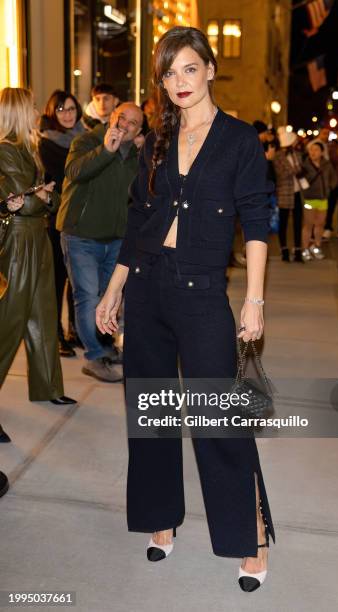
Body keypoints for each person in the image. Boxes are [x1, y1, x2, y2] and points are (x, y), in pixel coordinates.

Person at [96, 26, 275, 593]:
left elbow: (256, 221)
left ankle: (249, 534)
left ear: (210, 70)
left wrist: (254, 299)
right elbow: (139, 222)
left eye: (188, 69)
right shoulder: (154, 143)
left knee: (216, 418)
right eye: (168, 73)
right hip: (147, 288)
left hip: (202, 293)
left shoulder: (240, 140)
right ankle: (161, 517)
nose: (178, 82)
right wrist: (113, 288)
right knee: (152, 413)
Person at [0, 87, 76, 406]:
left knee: (44, 316)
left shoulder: (30, 147)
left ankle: (48, 387)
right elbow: (28, 201)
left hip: (37, 237)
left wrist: (41, 196)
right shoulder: (6, 149)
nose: (36, 111)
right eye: (31, 105)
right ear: (17, 110)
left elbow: (51, 198)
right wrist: (40, 196)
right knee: (9, 322)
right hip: (18, 241)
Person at [57, 102, 143, 383]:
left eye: (133, 123)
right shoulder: (88, 140)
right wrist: (106, 149)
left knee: (108, 298)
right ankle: (94, 356)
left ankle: (105, 347)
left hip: (117, 238)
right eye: (122, 118)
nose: (125, 125)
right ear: (111, 118)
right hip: (81, 235)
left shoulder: (137, 155)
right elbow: (74, 172)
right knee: (88, 297)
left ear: (139, 130)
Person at [39, 90, 86, 357]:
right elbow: (65, 177)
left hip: (81, 218)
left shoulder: (86, 136)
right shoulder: (48, 143)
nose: (67, 114)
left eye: (71, 109)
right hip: (57, 219)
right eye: (61, 110)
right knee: (57, 279)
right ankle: (56, 335)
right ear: (51, 113)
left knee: (76, 277)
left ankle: (74, 330)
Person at [273, 126, 304, 262]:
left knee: (298, 222)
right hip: (284, 193)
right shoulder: (278, 156)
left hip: (297, 192)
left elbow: (301, 169)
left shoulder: (297, 154)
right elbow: (281, 174)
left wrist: (298, 169)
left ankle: (298, 250)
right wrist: (296, 170)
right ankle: (284, 250)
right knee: (283, 222)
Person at [301, 142, 337, 261]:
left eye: (316, 150)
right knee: (308, 225)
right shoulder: (304, 165)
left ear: (322, 152)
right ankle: (305, 249)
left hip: (323, 199)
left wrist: (329, 188)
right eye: (311, 150)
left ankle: (316, 246)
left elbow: (333, 178)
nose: (313, 152)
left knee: (320, 224)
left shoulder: (327, 164)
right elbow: (301, 181)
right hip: (309, 199)